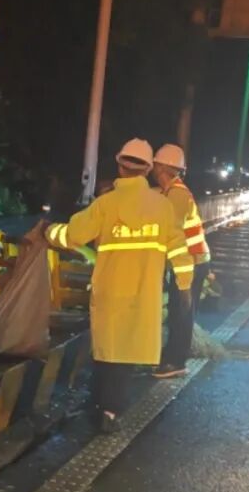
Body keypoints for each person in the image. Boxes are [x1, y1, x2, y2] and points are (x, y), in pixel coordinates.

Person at [43, 139, 194, 431]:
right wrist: (184, 284)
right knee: (128, 353)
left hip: (110, 291)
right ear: (149, 169)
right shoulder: (162, 207)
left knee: (107, 351)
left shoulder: (106, 204)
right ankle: (111, 410)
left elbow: (73, 235)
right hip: (143, 293)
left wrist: (50, 232)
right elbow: (179, 248)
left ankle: (101, 405)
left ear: (119, 164)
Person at [152, 144, 212, 378]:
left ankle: (175, 362)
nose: (154, 167)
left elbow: (172, 233)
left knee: (182, 313)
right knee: (180, 311)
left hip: (189, 264)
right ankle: (172, 356)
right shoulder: (171, 191)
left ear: (164, 167)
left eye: (156, 164)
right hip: (189, 261)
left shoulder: (176, 194)